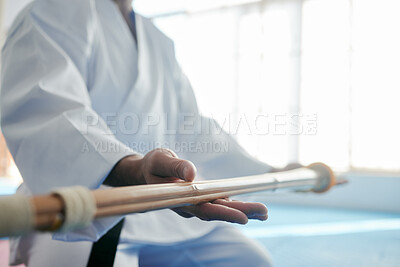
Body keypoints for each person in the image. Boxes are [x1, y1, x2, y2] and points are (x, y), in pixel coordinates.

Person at [0, 0, 282, 266]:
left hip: (168, 204)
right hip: (86, 205)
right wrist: (133, 169)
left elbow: (193, 128)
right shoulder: (53, 10)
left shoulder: (157, 39)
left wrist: (271, 171)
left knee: (250, 260)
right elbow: (49, 111)